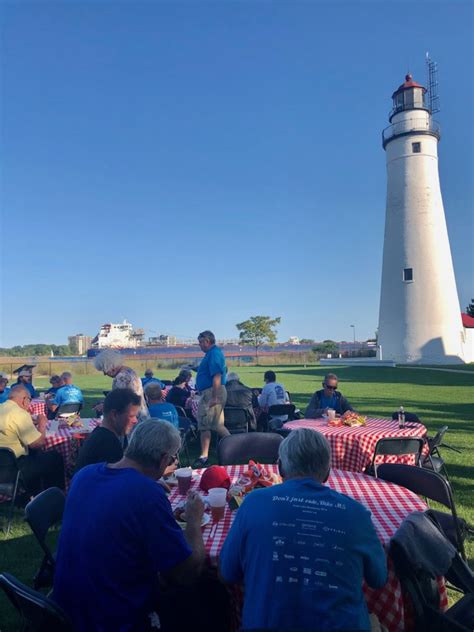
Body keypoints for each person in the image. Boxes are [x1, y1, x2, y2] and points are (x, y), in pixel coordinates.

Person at [220, 428, 387, 631]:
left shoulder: (252, 503)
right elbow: (378, 578)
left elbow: (228, 572)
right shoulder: (357, 513)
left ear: (280, 468)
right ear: (327, 472)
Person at [53, 420, 207, 632]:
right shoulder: (146, 494)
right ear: (163, 459)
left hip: (65, 607)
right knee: (206, 595)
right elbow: (185, 573)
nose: (173, 461)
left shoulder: (84, 475)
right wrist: (193, 520)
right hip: (111, 617)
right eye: (172, 458)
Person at [0, 385, 65, 497]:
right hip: (14, 467)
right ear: (24, 399)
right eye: (29, 400)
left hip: (3, 464)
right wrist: (42, 425)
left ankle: (34, 491)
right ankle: (53, 497)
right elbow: (36, 444)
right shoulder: (19, 413)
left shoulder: (2, 408)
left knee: (37, 456)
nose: (29, 404)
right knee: (54, 457)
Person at [75, 388, 141, 473]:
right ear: (114, 415)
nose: (136, 421)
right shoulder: (109, 445)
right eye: (131, 416)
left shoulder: (98, 434)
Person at [192, 330, 229, 468]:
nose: (200, 345)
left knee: (204, 425)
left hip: (212, 393)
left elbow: (217, 375)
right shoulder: (213, 353)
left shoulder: (213, 353)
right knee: (217, 425)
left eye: (201, 342)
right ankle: (235, 448)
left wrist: (214, 397)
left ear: (207, 341)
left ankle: (204, 457)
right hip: (214, 392)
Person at [94, 349, 148, 420]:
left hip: (132, 418)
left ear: (110, 366)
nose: (104, 374)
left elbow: (120, 402)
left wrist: (104, 406)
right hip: (142, 413)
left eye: (104, 370)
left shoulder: (121, 378)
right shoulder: (130, 371)